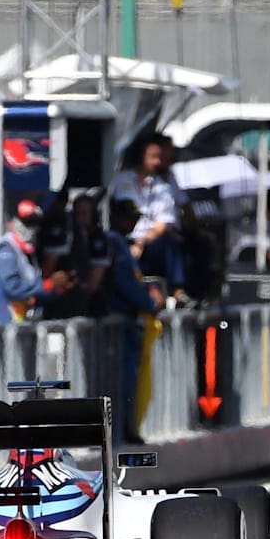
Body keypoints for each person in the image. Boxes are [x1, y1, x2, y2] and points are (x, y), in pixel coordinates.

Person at [106, 198, 165, 444]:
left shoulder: (122, 243)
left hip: (128, 323)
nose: (134, 223)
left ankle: (126, 428)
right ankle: (121, 430)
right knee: (121, 381)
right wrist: (150, 302)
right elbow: (125, 283)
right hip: (120, 322)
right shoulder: (114, 242)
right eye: (130, 217)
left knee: (131, 380)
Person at [112, 134, 189, 304]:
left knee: (170, 242)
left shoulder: (162, 186)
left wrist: (141, 242)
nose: (157, 162)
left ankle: (178, 289)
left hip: (149, 240)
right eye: (153, 157)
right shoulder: (121, 179)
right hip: (124, 236)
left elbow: (163, 223)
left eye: (159, 158)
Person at [0, 199, 73, 323]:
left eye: (35, 224)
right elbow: (13, 288)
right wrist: (47, 285)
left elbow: (33, 291)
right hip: (0, 323)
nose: (32, 229)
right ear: (14, 223)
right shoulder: (5, 250)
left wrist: (58, 288)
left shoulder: (29, 251)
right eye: (27, 223)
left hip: (22, 323)